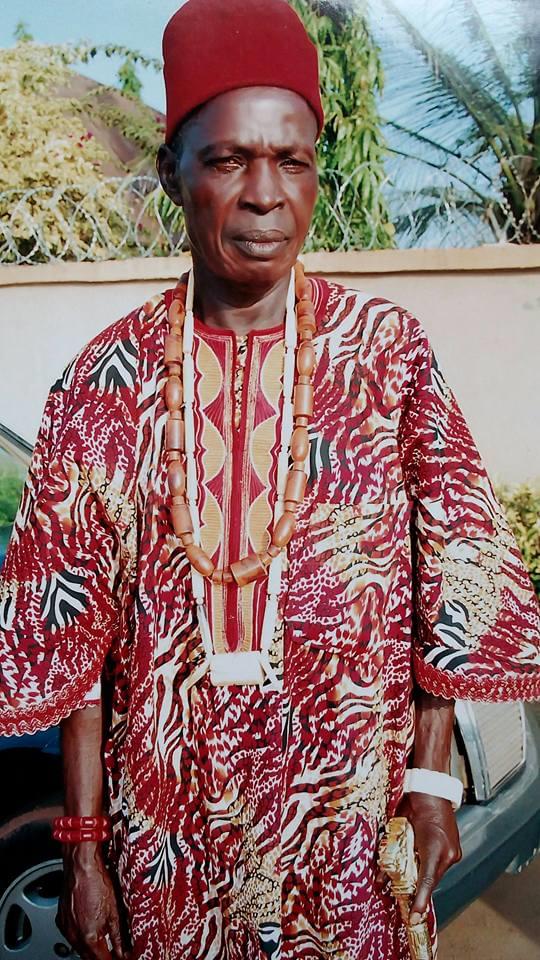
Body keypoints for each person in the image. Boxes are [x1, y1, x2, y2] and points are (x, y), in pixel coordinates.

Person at [0, 1, 539, 958]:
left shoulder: (388, 358)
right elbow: (77, 640)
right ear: (171, 173)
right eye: (228, 160)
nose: (264, 195)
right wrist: (83, 853)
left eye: (292, 161)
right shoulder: (103, 383)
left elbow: (455, 578)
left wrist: (431, 783)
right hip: (171, 842)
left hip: (350, 836)